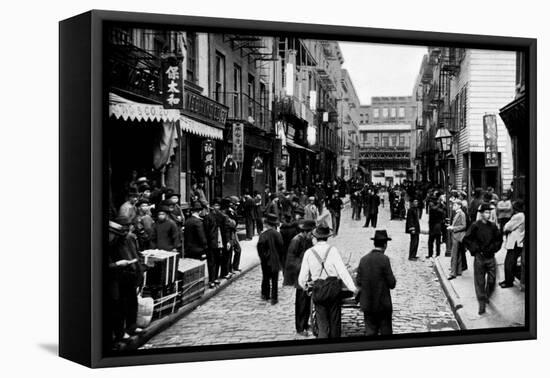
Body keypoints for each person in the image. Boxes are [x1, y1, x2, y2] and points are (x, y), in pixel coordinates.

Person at [298, 225, 357, 339]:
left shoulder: (309, 253)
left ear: (315, 237)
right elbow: (342, 272)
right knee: (335, 322)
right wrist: (353, 288)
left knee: (322, 323)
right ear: (327, 237)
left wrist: (306, 287)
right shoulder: (333, 250)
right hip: (333, 290)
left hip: (319, 290)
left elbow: (302, 278)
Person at [108, 217, 144, 343]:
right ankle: (120, 333)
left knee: (131, 302)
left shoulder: (129, 238)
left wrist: (139, 268)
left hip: (130, 273)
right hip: (120, 276)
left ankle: (131, 327)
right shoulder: (113, 244)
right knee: (119, 305)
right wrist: (119, 264)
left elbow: (136, 253)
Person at [462, 203, 503, 315]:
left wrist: (493, 249)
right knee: (480, 282)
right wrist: (475, 250)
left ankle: (486, 295)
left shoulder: (493, 226)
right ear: (481, 214)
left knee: (491, 279)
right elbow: (467, 239)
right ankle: (482, 304)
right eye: (486, 212)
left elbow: (499, 240)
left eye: (489, 212)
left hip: (490, 257)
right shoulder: (475, 225)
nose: (488, 214)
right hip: (479, 257)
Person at [356, 230, 396, 336]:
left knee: (370, 332)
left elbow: (358, 281)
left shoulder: (363, 259)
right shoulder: (384, 259)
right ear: (385, 244)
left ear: (374, 243)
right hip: (382, 305)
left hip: (368, 305)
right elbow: (392, 283)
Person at [283, 220, 316, 336]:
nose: (312, 235)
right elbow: (291, 260)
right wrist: (303, 266)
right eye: (311, 232)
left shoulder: (307, 240)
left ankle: (306, 323)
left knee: (307, 301)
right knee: (301, 302)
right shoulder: (296, 240)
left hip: (307, 275)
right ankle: (300, 328)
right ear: (306, 232)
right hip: (300, 275)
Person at [256, 214, 284, 305]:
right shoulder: (278, 234)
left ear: (267, 224)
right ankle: (274, 297)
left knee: (265, 277)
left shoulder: (263, 235)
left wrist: (263, 258)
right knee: (275, 279)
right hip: (275, 259)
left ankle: (265, 294)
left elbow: (260, 248)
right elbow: (281, 247)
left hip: (266, 260)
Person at [500, 200, 525, 288]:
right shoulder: (521, 215)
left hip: (515, 241)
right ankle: (508, 280)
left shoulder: (518, 216)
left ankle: (509, 281)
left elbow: (507, 227)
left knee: (509, 262)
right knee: (512, 262)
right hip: (517, 241)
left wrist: (505, 227)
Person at [203, 199, 225, 288]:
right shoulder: (208, 217)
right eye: (215, 206)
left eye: (218, 206)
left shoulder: (221, 216)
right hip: (212, 241)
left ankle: (215, 277)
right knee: (211, 261)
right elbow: (206, 231)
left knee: (218, 260)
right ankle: (211, 280)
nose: (217, 208)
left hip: (219, 240)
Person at [447, 200, 467, 280]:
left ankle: (453, 273)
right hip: (457, 236)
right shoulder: (458, 214)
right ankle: (458, 271)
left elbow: (463, 225)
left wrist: (453, 228)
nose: (453, 207)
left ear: (459, 205)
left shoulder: (461, 214)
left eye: (455, 205)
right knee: (458, 255)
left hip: (457, 236)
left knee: (454, 255)